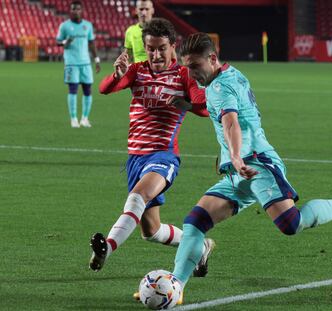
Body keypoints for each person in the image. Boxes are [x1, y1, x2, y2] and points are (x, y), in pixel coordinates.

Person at [167, 33, 332, 298]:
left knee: (290, 223)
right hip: (238, 172)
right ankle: (175, 286)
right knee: (195, 222)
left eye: (195, 66)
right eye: (187, 67)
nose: (191, 74)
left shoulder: (218, 88)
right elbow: (219, 110)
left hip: (256, 164)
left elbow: (231, 122)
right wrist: (191, 106)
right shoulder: (228, 74)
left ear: (212, 58)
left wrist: (236, 156)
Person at [89, 19, 214, 282]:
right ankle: (201, 247)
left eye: (161, 48)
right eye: (150, 49)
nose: (155, 54)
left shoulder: (182, 75)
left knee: (138, 196)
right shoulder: (137, 70)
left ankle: (107, 249)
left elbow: (204, 105)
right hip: (135, 158)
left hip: (163, 155)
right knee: (151, 231)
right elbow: (104, 89)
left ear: (172, 46)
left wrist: (187, 104)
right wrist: (117, 74)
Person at [56, 0, 101, 128]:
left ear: (81, 10)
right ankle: (74, 119)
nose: (75, 11)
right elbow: (58, 42)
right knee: (73, 90)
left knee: (88, 90)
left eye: (77, 9)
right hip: (71, 63)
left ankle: (85, 118)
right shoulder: (64, 26)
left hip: (86, 63)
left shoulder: (88, 25)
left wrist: (96, 60)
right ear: (70, 11)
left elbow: (91, 43)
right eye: (73, 9)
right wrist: (65, 42)